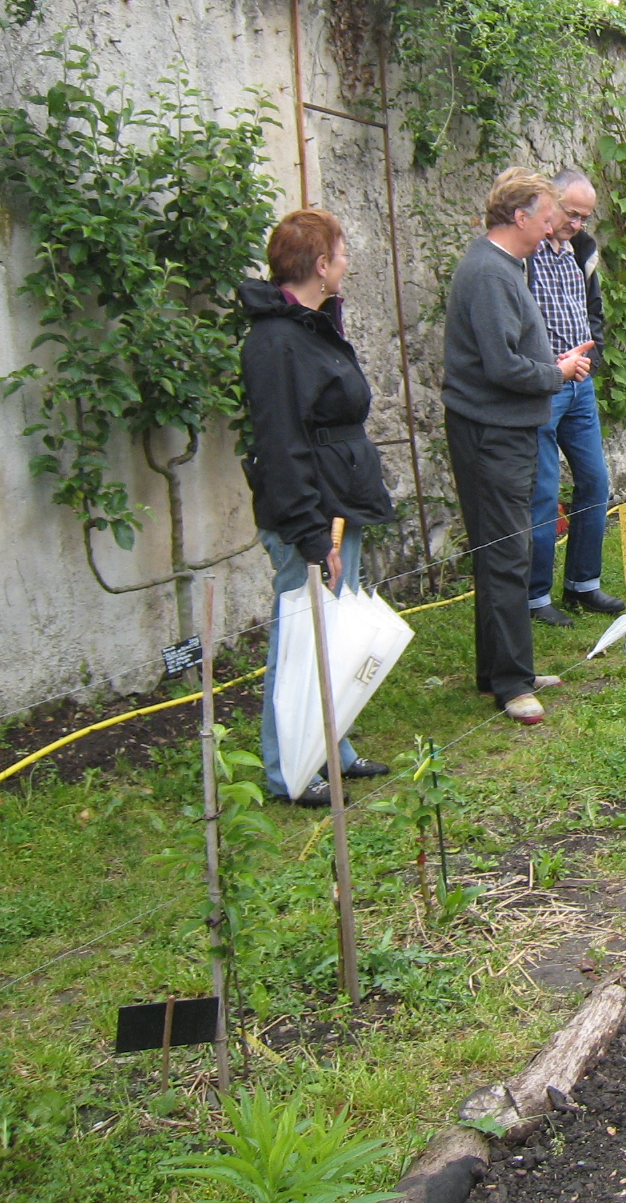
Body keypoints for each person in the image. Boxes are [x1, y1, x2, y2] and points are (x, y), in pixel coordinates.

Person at [237, 209, 394, 805]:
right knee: (301, 640)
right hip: (310, 514)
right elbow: (281, 445)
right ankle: (291, 771)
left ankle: (333, 748)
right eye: (342, 253)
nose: (348, 262)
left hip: (337, 502)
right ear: (321, 264)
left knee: (333, 636)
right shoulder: (275, 342)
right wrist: (310, 534)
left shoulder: (311, 326)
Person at [443, 169, 594, 725]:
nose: (553, 228)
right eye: (547, 217)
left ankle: (499, 670)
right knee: (507, 551)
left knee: (498, 549)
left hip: (502, 429)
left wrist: (552, 365)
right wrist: (558, 372)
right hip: (491, 434)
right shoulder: (489, 273)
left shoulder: (504, 267)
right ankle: (512, 683)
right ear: (520, 216)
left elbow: (506, 355)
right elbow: (502, 366)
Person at [526, 167, 625, 627]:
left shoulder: (581, 251)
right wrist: (548, 367)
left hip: (580, 385)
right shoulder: (525, 253)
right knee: (544, 491)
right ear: (551, 202)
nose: (577, 223)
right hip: (544, 385)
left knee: (595, 481)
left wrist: (592, 355)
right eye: (571, 213)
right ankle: (535, 596)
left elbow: (592, 310)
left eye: (585, 217)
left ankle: (583, 583)